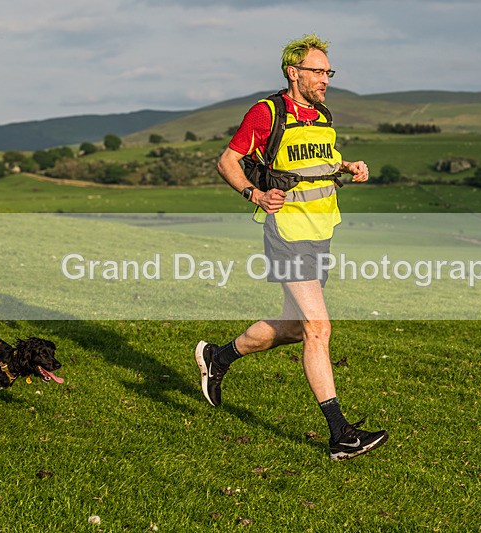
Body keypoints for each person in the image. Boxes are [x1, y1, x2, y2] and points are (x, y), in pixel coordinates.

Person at [195, 34, 388, 460]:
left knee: (294, 327)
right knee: (319, 328)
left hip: (321, 233)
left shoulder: (320, 115)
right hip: (286, 233)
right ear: (293, 72)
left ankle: (218, 357)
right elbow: (227, 160)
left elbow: (319, 158)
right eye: (318, 71)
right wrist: (254, 194)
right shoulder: (266, 113)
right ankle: (340, 435)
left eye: (328, 72)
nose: (325, 79)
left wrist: (347, 165)